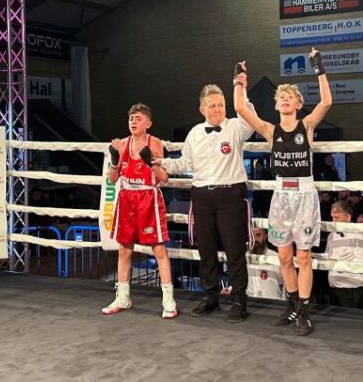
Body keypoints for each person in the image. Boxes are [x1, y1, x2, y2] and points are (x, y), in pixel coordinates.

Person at [234, 48, 332, 336]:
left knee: (304, 257)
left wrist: (318, 67)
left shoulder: (307, 125)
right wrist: (239, 80)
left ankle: (304, 311)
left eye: (290, 96)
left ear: (299, 103)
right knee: (285, 257)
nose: (286, 99)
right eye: (281, 97)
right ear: (276, 104)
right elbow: (240, 108)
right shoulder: (269, 130)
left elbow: (326, 101)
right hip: (281, 197)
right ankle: (290, 305)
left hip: (304, 196)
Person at [157, 78, 257, 322]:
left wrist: (241, 88)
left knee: (234, 251)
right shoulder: (194, 133)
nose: (217, 109)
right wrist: (160, 162)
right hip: (202, 195)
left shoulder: (236, 127)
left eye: (221, 105)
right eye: (212, 105)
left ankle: (239, 301)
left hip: (230, 194)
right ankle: (210, 297)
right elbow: (185, 164)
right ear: (202, 109)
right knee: (206, 250)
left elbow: (249, 117)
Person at [102, 103, 176, 319]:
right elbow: (112, 180)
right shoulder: (122, 144)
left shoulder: (154, 143)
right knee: (124, 250)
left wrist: (150, 162)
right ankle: (123, 297)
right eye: (131, 118)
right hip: (126, 197)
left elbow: (164, 178)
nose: (133, 121)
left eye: (138, 118)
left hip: (148, 198)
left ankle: (168, 300)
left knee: (159, 249)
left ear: (148, 123)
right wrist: (114, 162)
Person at [323, 200, 363, 309]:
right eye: (332, 217)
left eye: (336, 218)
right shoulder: (332, 235)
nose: (333, 221)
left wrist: (337, 264)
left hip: (351, 289)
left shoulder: (358, 237)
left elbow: (360, 266)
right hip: (334, 285)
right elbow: (328, 256)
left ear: (348, 217)